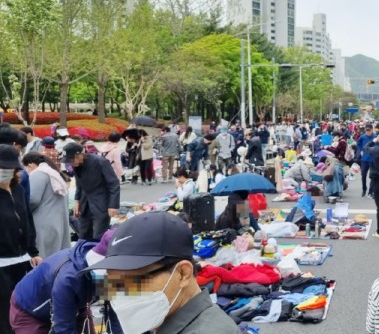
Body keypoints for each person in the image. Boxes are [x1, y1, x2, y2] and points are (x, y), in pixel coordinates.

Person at [86, 212, 240, 334]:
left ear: (182, 274)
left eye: (134, 280)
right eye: (115, 282)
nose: (122, 294)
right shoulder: (166, 320)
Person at [9, 229, 122, 334]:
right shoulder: (69, 279)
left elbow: (118, 316)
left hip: (76, 304)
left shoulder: (121, 274)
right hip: (29, 309)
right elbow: (64, 329)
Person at [0, 145, 42, 334]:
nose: (5, 172)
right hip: (1, 262)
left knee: (22, 307)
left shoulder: (18, 190)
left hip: (22, 260)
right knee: (3, 310)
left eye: (9, 168)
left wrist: (33, 251)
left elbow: (27, 221)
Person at [67, 143, 120, 240]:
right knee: (83, 234)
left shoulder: (100, 162)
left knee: (99, 235)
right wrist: (77, 200)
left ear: (81, 154)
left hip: (101, 202)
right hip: (84, 203)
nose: (71, 163)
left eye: (73, 159)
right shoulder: (76, 165)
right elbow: (79, 184)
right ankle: (83, 253)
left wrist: (113, 204)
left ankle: (98, 254)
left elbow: (113, 183)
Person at [21, 153, 70, 259]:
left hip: (43, 224)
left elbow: (32, 200)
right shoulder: (54, 173)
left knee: (42, 261)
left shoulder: (38, 174)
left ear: (30, 165)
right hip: (58, 223)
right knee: (55, 260)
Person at [356, 124, 376, 198]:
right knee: (363, 175)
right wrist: (360, 151)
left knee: (373, 176)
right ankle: (364, 189)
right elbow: (358, 145)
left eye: (369, 130)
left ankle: (371, 191)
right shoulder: (362, 137)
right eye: (366, 130)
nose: (368, 132)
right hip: (364, 159)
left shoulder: (375, 137)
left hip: (373, 159)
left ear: (372, 129)